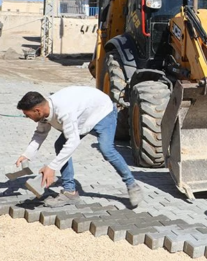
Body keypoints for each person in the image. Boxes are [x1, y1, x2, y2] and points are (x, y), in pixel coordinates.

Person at [14, 86, 143, 208]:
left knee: (106, 149)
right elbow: (40, 134)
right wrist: (27, 154)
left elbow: (73, 141)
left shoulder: (64, 111)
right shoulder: (44, 113)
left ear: (37, 110)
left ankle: (132, 185)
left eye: (27, 114)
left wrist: (52, 167)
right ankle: (70, 193)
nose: (27, 117)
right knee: (60, 144)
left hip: (102, 111)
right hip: (81, 116)